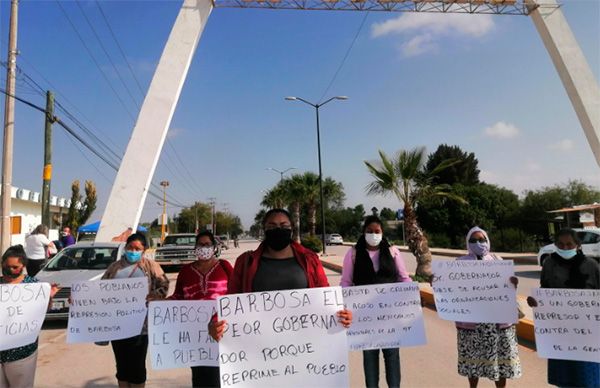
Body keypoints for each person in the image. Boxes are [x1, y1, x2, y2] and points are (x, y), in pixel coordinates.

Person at [209, 208, 352, 340]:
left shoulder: (310, 259)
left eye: (284, 226)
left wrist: (342, 314)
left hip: (304, 345)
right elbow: (232, 298)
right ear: (264, 230)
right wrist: (216, 322)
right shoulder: (245, 262)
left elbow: (325, 296)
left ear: (291, 229)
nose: (278, 230)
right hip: (260, 345)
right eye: (272, 226)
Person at [340, 215, 411, 388]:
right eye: (369, 231)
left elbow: (404, 278)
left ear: (382, 232)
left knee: (392, 357)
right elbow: (346, 282)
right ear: (364, 233)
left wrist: (411, 297)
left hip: (390, 317)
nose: (373, 234)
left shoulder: (393, 252)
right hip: (365, 318)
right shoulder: (354, 253)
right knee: (370, 358)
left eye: (377, 231)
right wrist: (343, 305)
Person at [527, 228, 599, 388]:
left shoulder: (591, 266)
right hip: (559, 335)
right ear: (555, 244)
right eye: (561, 244)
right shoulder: (549, 264)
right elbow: (544, 291)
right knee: (565, 379)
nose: (565, 248)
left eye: (569, 244)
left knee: (589, 380)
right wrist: (535, 301)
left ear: (578, 245)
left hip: (587, 335)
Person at [455, 227, 521, 388]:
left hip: (497, 322)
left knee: (499, 362)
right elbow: (452, 290)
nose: (478, 243)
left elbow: (508, 290)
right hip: (471, 323)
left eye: (482, 239)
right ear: (467, 243)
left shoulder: (498, 261)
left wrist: (513, 284)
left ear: (488, 241)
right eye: (473, 240)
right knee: (472, 363)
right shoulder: (459, 264)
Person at [102, 233, 169, 388]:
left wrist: (155, 295)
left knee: (137, 365)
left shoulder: (151, 266)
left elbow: (164, 285)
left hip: (141, 327)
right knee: (121, 365)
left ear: (144, 250)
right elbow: (101, 290)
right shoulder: (115, 268)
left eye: (137, 248)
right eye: (130, 247)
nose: (133, 251)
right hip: (117, 326)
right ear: (125, 248)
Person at [169, 230, 233, 388]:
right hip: (195, 336)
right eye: (200, 244)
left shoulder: (224, 267)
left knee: (221, 376)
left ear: (214, 247)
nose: (203, 247)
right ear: (195, 248)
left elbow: (235, 293)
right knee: (199, 376)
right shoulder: (185, 271)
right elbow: (178, 296)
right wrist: (159, 303)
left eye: (207, 244)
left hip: (220, 331)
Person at [0, 245, 59, 387]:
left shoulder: (33, 286)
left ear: (23, 266)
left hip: (22, 354)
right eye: (6, 266)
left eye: (15, 267)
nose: (10, 270)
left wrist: (48, 298)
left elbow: (41, 313)